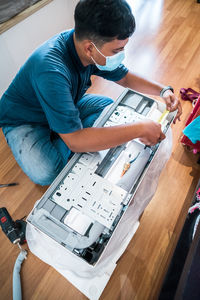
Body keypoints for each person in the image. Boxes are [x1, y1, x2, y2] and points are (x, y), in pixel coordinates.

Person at [0, 0, 182, 186]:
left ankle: (65, 127)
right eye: (117, 50)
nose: (121, 54)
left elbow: (125, 77)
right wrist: (138, 129)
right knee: (47, 172)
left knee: (107, 108)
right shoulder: (51, 71)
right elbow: (75, 142)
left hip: (68, 101)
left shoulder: (84, 46)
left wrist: (163, 90)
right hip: (26, 121)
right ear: (90, 48)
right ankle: (65, 129)